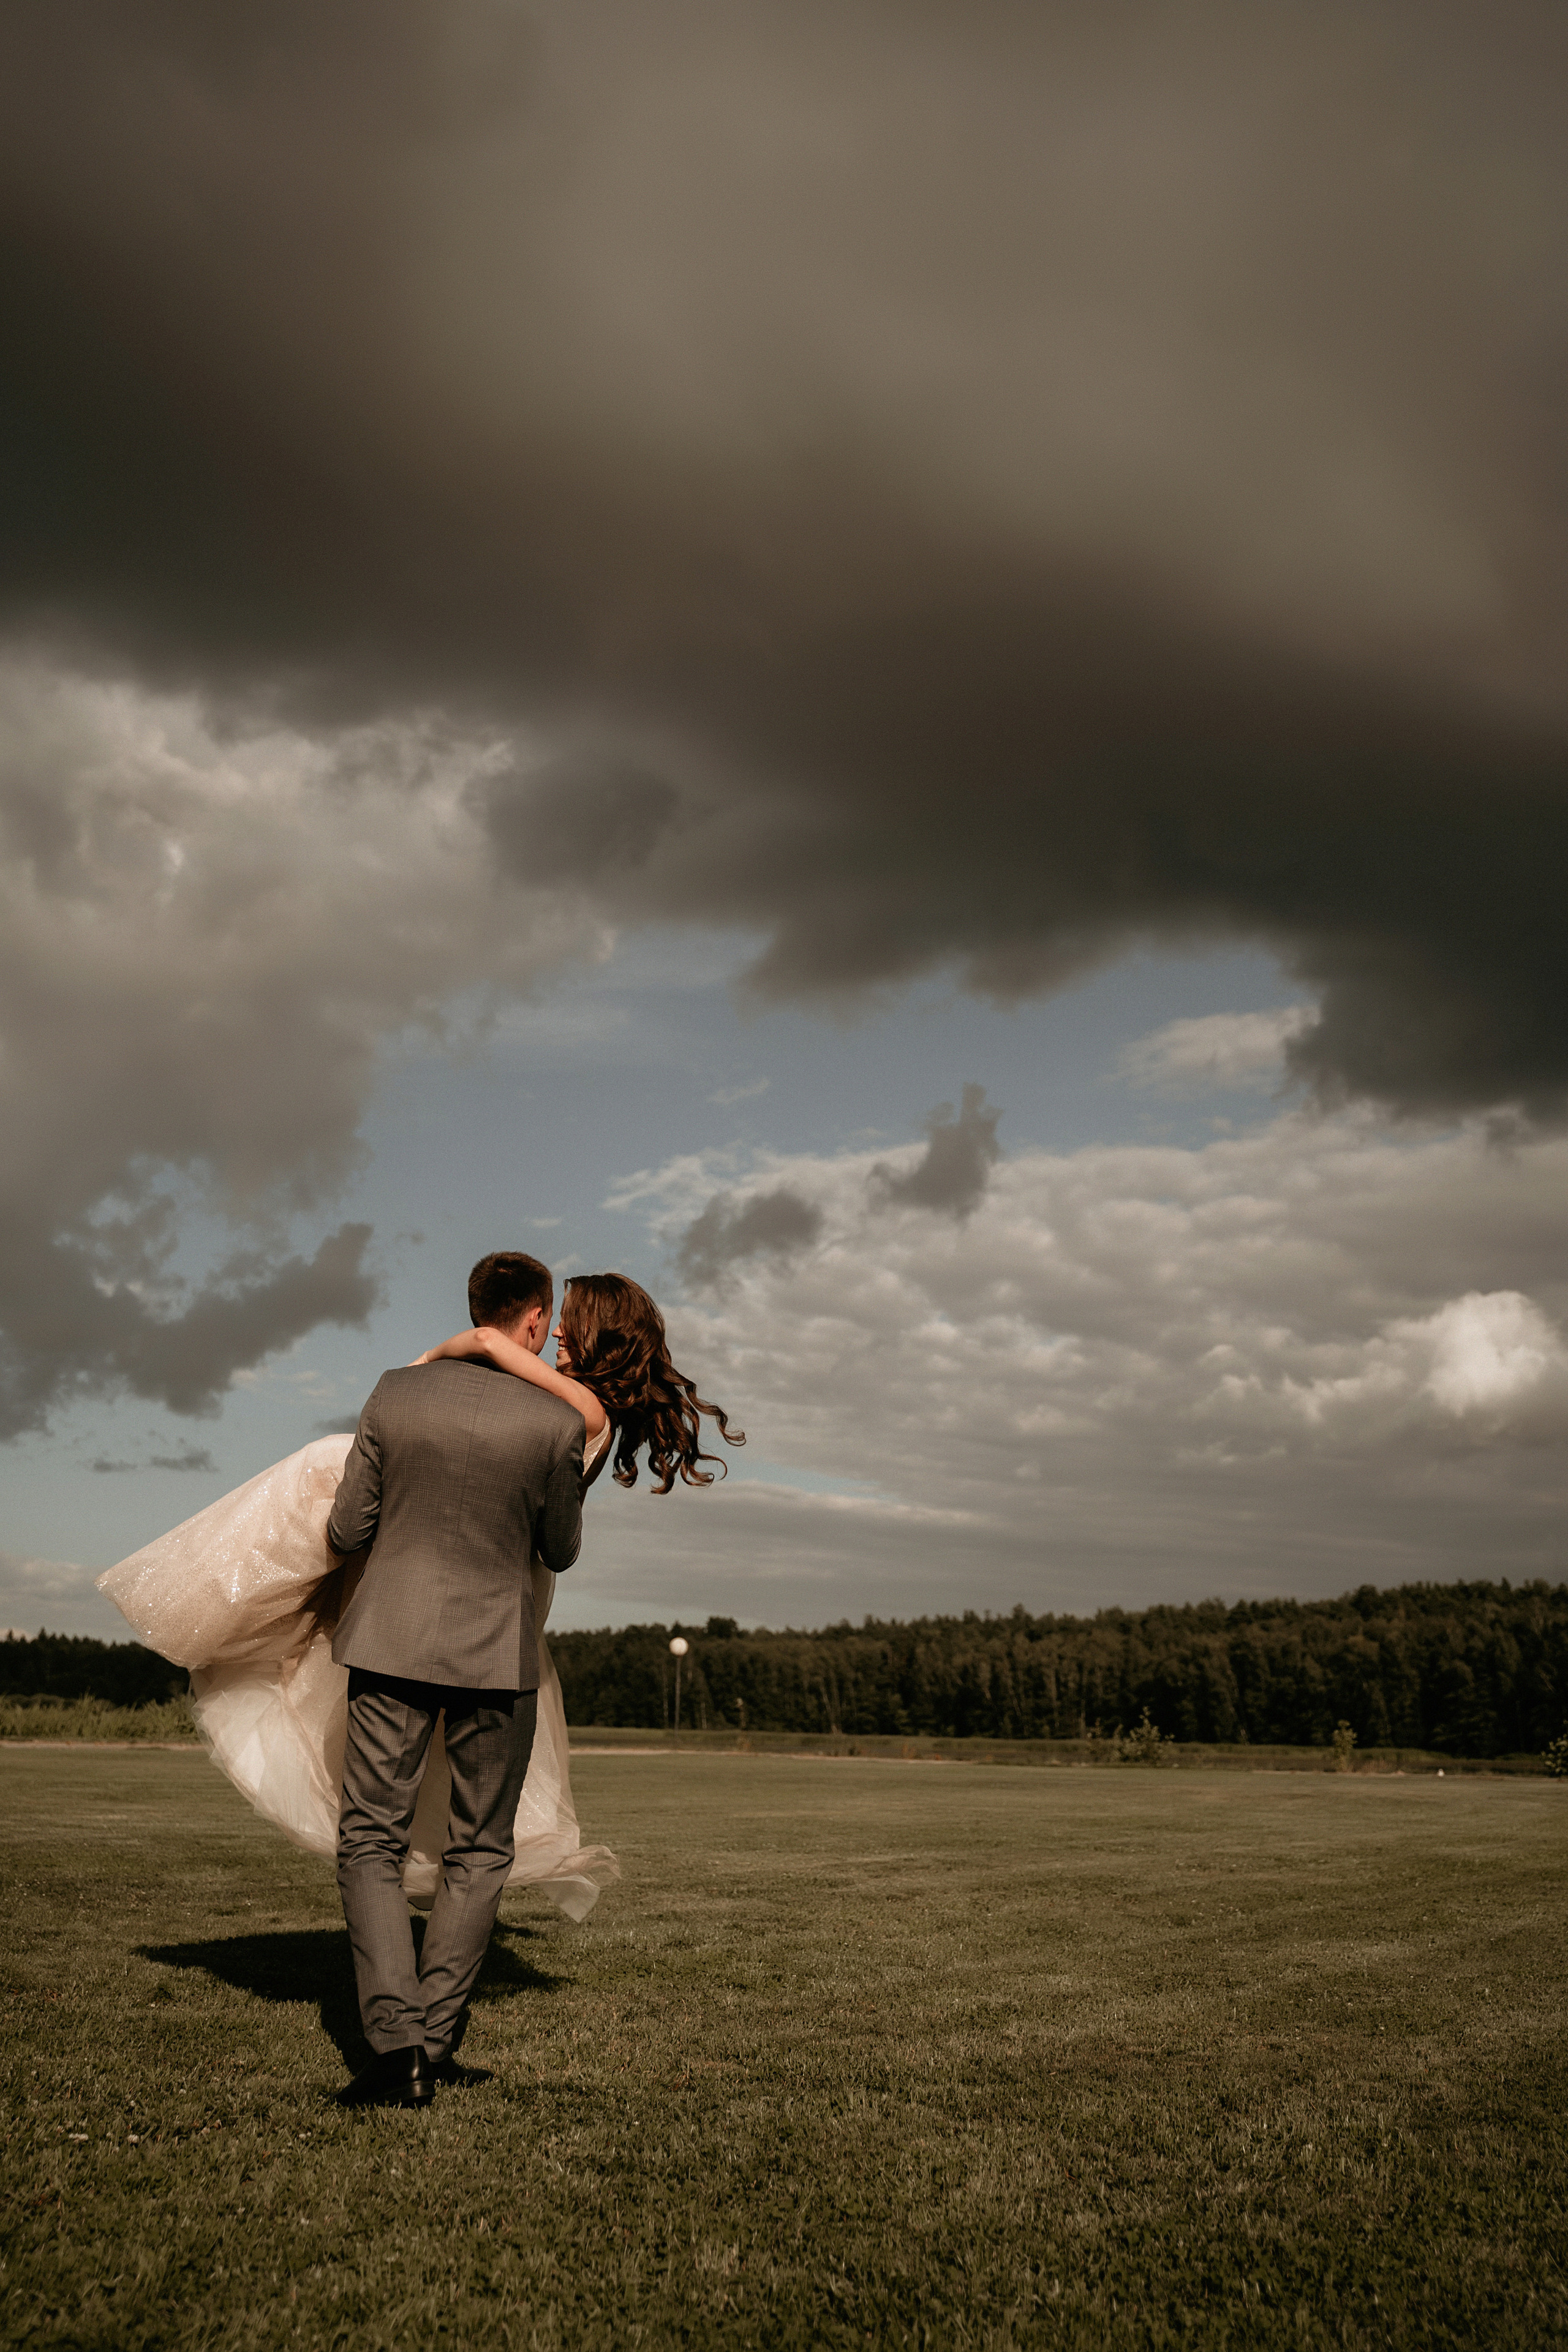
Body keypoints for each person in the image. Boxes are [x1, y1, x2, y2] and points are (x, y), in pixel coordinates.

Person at [98, 1252, 742, 2111]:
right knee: (482, 1850)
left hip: (393, 1643)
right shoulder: (571, 1424)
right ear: (536, 1320)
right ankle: (432, 2044)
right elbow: (558, 1549)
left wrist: (447, 1359)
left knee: (370, 1838)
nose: (550, 1339)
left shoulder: (405, 1392)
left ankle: (394, 2043)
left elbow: (350, 1521)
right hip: (500, 1654)